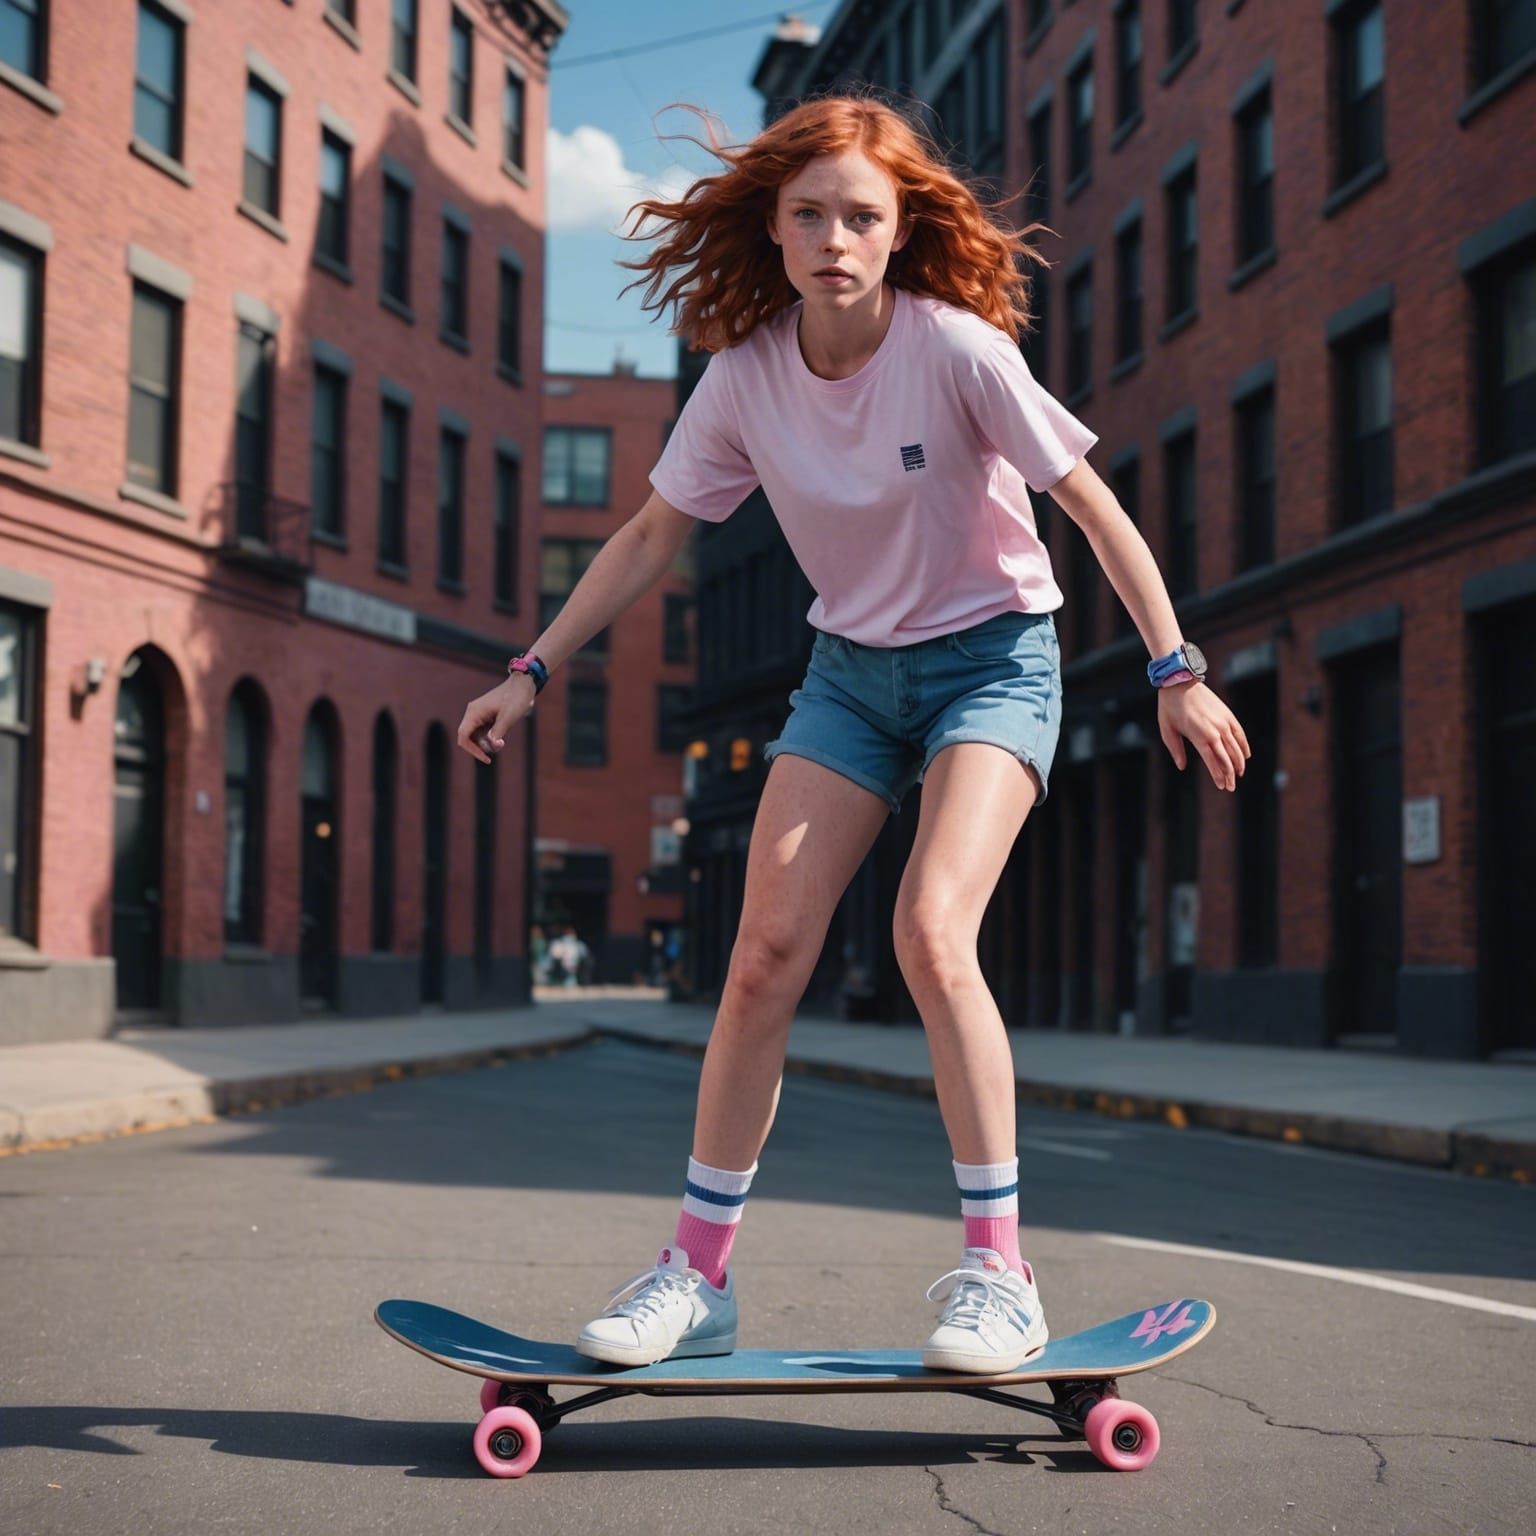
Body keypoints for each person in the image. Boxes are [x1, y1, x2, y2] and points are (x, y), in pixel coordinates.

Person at [456, 93, 1249, 1376]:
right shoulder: (744, 377)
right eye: (811, 215)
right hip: (848, 679)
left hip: (994, 659)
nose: (836, 239)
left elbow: (1094, 508)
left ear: (901, 232)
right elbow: (650, 537)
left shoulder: (959, 351)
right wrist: (531, 670)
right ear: (773, 227)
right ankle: (697, 1277)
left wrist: (1175, 670)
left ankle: (1001, 1276)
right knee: (763, 953)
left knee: (931, 930)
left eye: (863, 218)